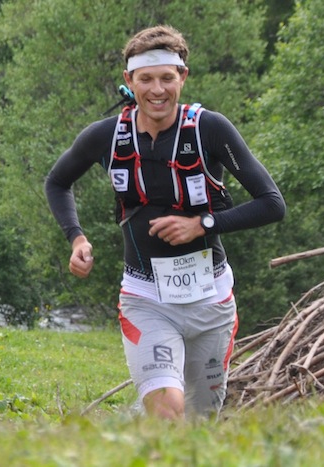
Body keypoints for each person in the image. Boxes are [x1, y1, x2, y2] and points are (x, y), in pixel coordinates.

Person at [44, 25, 285, 420]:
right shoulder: (107, 136)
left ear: (183, 77)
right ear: (129, 81)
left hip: (211, 300)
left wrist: (202, 224)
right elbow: (57, 181)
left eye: (167, 78)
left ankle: (130, 437)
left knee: (198, 421)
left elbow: (272, 204)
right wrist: (76, 238)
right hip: (146, 298)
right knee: (167, 411)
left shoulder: (211, 130)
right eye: (146, 79)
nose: (158, 90)